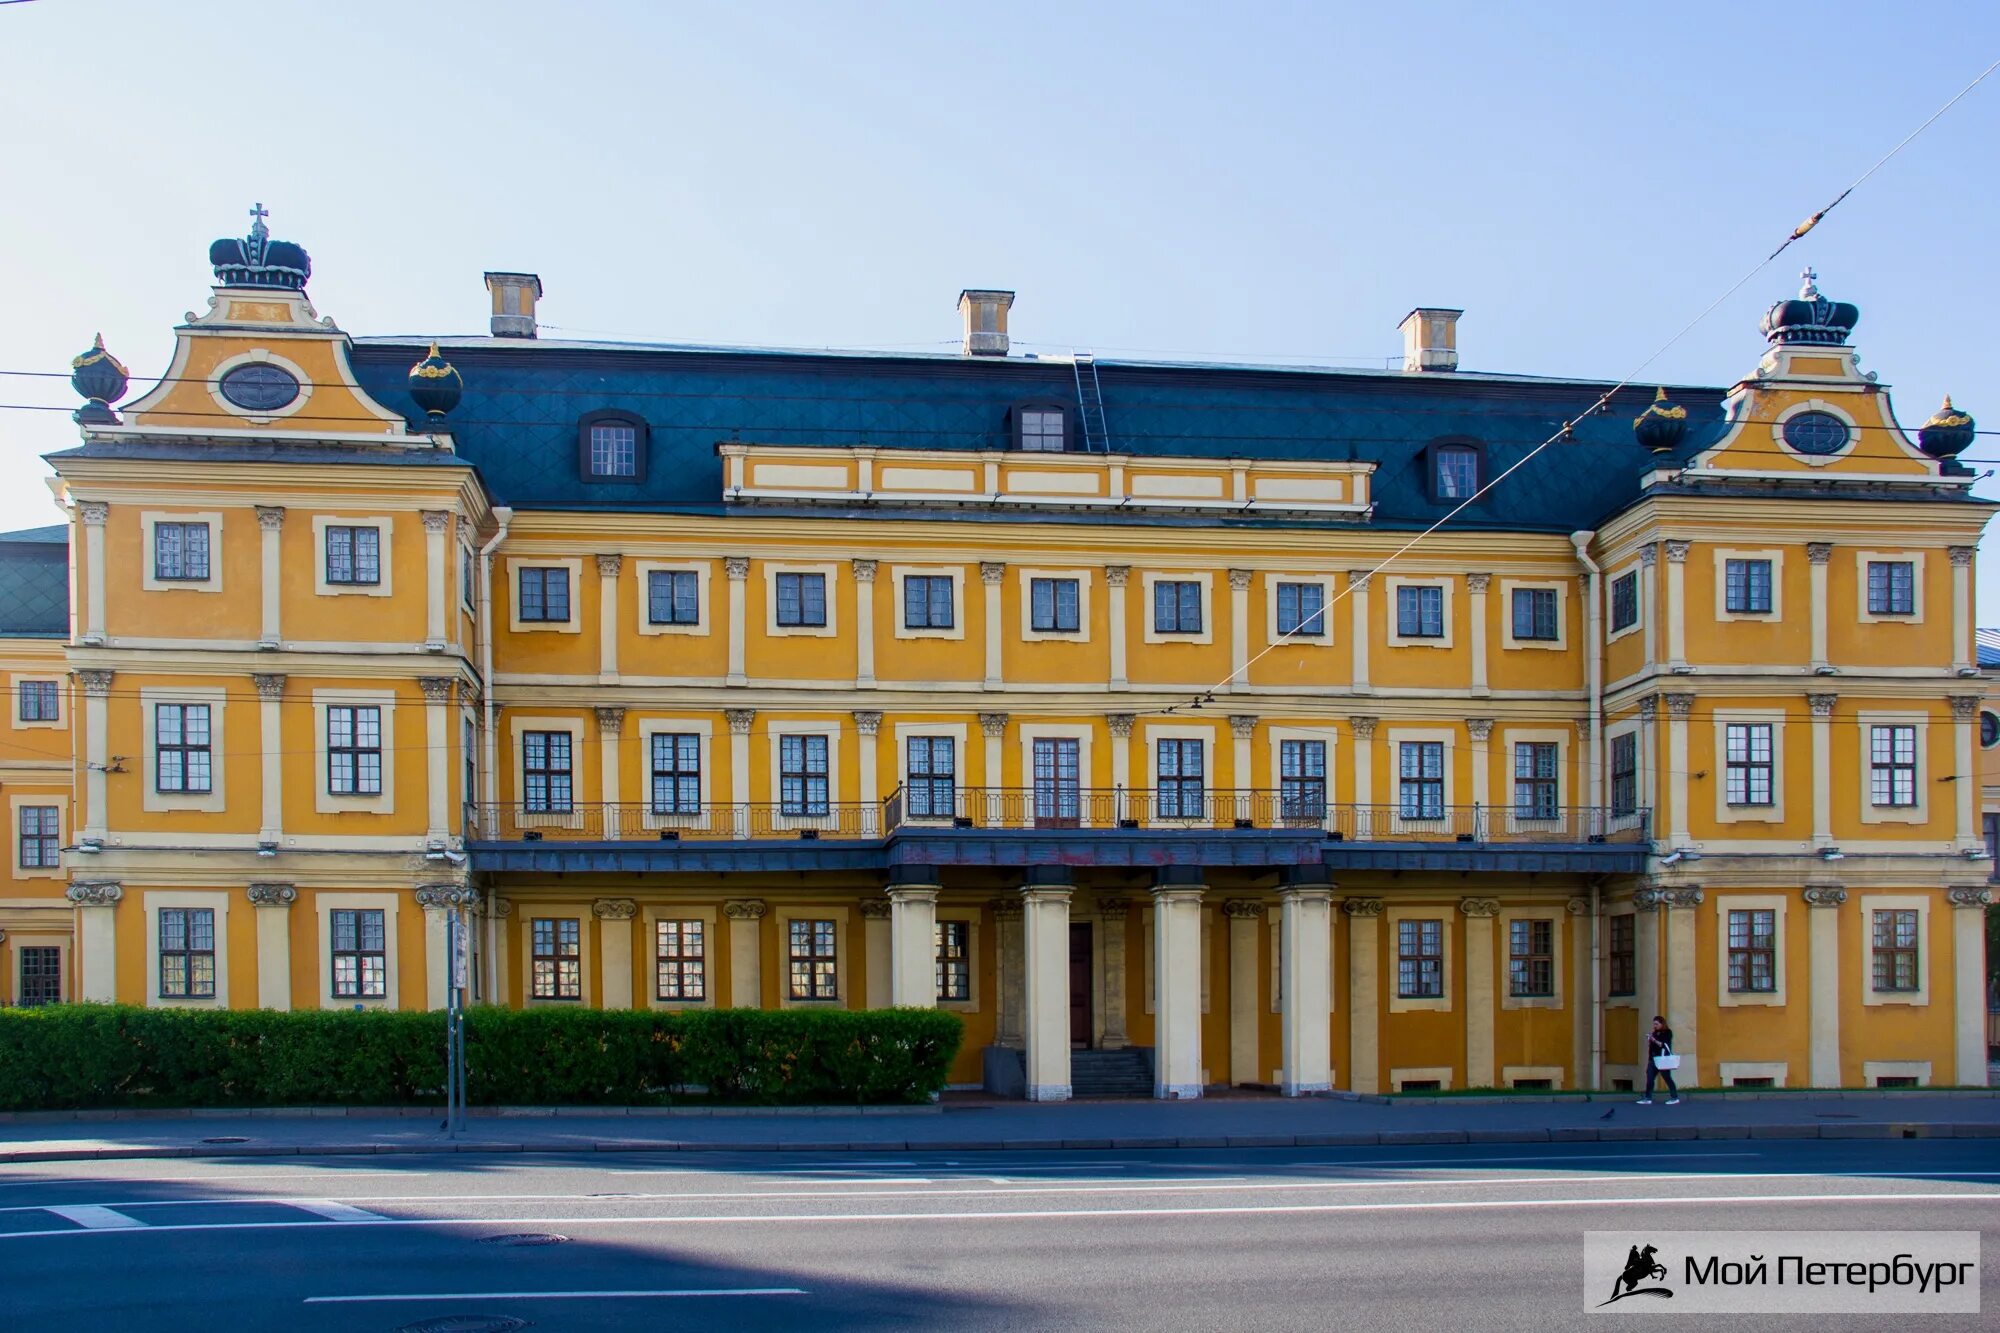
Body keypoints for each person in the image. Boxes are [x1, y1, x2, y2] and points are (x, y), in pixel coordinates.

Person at [1637, 1015, 1680, 1105]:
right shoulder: (1655, 1032)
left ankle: (1674, 1097)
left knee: (1667, 1078)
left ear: (1662, 1024)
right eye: (1654, 1024)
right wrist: (1650, 1039)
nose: (1655, 1026)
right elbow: (1653, 1046)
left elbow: (1663, 1045)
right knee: (1650, 1078)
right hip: (1653, 1059)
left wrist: (1654, 1040)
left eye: (1656, 1024)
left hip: (1662, 1059)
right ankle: (1648, 1098)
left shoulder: (1667, 1032)